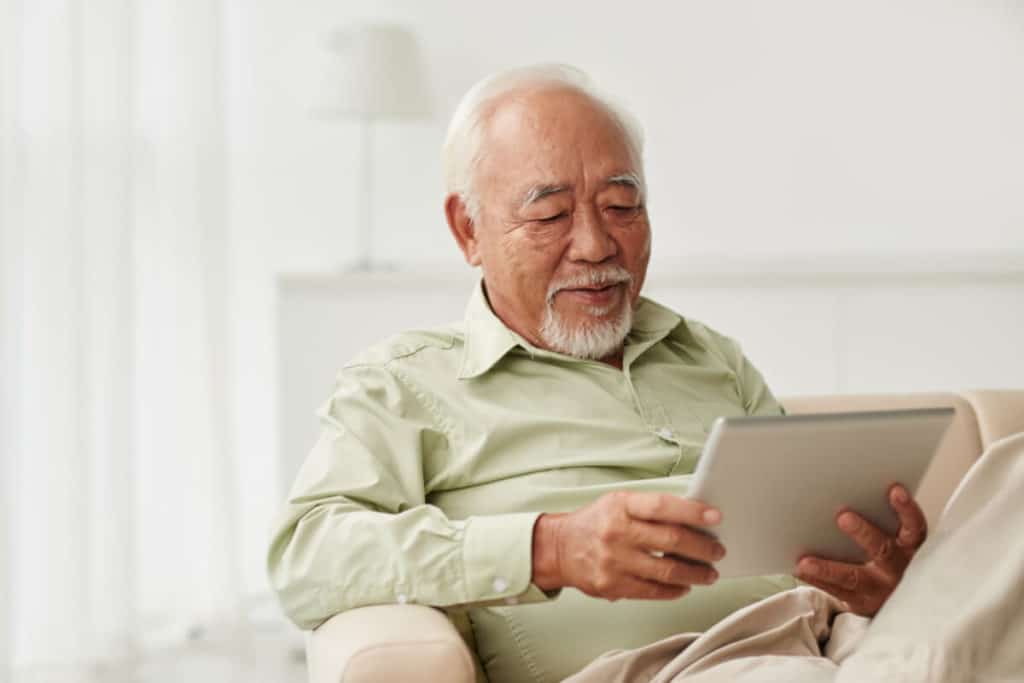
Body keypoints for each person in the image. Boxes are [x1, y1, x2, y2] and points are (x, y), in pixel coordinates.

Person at [266, 65, 1000, 683]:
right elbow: (308, 556)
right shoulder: (404, 384)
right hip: (675, 669)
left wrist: (873, 578)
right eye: (549, 214)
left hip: (835, 646)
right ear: (468, 230)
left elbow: (807, 555)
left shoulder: (710, 355)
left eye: (622, 205)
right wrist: (550, 546)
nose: (594, 243)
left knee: (1015, 470)